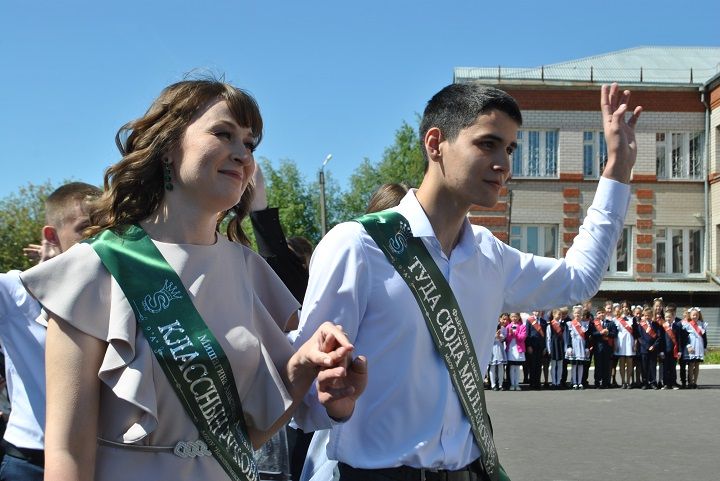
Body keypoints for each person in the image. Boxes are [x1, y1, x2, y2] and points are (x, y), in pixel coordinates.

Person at [19, 79, 367, 481]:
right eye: (224, 134)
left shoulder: (248, 270)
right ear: (167, 146)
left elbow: (246, 435)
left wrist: (308, 363)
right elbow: (66, 453)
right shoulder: (95, 268)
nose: (242, 155)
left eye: (250, 144)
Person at [292, 82, 641, 481]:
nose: (504, 163)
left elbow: (579, 279)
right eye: (487, 144)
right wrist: (333, 400)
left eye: (509, 149)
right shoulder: (357, 246)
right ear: (435, 143)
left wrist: (616, 171)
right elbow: (305, 394)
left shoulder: (490, 257)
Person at [0, 182, 100, 481]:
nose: (100, 237)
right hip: (31, 460)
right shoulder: (16, 292)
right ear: (52, 235)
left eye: (108, 226)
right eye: (86, 227)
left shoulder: (123, 291)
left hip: (105, 459)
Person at [680, 307, 707, 389]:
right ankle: (690, 382)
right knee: (691, 364)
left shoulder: (702, 324)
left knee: (697, 364)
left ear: (699, 315)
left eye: (697, 315)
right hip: (691, 346)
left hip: (699, 346)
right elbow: (684, 337)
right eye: (693, 315)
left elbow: (704, 337)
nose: (695, 316)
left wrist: (705, 347)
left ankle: (695, 382)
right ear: (690, 315)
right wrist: (688, 346)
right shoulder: (687, 324)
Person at [590, 307, 617, 389]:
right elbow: (592, 334)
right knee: (598, 365)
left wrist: (608, 333)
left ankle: (606, 382)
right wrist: (600, 332)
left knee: (607, 365)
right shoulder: (594, 323)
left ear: (605, 313)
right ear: (596, 315)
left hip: (607, 347)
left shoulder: (611, 323)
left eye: (602, 312)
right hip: (598, 347)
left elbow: (614, 334)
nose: (601, 314)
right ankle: (597, 382)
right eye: (599, 313)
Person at [636, 307, 661, 389]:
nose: (647, 317)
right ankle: (645, 383)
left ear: (652, 315)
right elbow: (639, 338)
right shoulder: (641, 325)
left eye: (649, 315)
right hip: (644, 349)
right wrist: (647, 346)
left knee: (652, 366)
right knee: (644, 367)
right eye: (646, 315)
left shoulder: (656, 324)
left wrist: (653, 346)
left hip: (653, 349)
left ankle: (653, 382)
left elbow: (659, 337)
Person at [524, 310, 546, 390]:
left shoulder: (543, 321)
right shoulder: (529, 320)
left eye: (539, 310)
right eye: (536, 310)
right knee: (532, 365)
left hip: (540, 346)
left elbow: (545, 335)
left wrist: (544, 347)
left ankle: (537, 382)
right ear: (533, 312)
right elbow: (527, 334)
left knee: (539, 365)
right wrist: (528, 345)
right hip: (532, 345)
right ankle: (532, 382)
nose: (537, 312)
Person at [505, 313, 527, 391]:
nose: (514, 318)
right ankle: (512, 384)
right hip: (511, 349)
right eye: (512, 317)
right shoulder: (508, 326)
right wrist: (510, 334)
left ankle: (517, 384)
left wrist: (515, 333)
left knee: (517, 367)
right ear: (510, 318)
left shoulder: (522, 326)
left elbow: (522, 338)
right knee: (511, 367)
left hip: (519, 349)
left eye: (515, 317)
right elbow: (506, 339)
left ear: (518, 317)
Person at [545, 309, 566, 390]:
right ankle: (553, 382)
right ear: (553, 315)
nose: (560, 316)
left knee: (560, 365)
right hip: (553, 346)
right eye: (558, 314)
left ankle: (558, 382)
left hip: (560, 346)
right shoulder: (549, 325)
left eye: (560, 314)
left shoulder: (562, 325)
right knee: (553, 365)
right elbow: (548, 338)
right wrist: (549, 349)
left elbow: (564, 337)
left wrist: (565, 348)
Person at [489, 314, 509, 391]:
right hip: (492, 347)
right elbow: (488, 337)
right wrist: (495, 336)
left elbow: (503, 338)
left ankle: (500, 384)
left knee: (501, 366)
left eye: (506, 319)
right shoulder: (491, 326)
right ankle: (493, 384)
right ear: (499, 319)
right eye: (503, 319)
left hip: (499, 347)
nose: (505, 321)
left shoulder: (504, 328)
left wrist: (499, 337)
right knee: (492, 366)